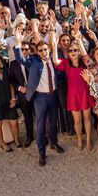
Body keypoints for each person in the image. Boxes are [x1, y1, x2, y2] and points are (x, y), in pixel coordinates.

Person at [13, 31, 65, 167]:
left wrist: (54, 41)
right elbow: (20, 59)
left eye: (45, 49)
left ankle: (54, 143)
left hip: (53, 95)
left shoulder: (54, 59)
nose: (44, 52)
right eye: (41, 50)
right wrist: (18, 43)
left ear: (49, 49)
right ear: (37, 51)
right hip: (40, 97)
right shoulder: (33, 61)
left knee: (53, 122)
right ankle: (42, 153)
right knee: (41, 127)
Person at [50, 32, 95, 151]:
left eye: (75, 50)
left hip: (85, 94)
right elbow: (55, 61)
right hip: (73, 95)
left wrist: (78, 40)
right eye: (70, 51)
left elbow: (86, 57)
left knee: (87, 118)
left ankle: (89, 138)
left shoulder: (84, 63)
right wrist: (54, 45)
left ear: (78, 51)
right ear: (68, 53)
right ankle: (79, 138)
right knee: (77, 120)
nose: (73, 52)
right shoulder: (66, 63)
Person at [0, 54, 21, 151]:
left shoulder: (6, 71)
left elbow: (11, 85)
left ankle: (16, 140)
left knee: (14, 123)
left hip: (9, 101)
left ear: (1, 62)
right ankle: (2, 143)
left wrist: (14, 98)